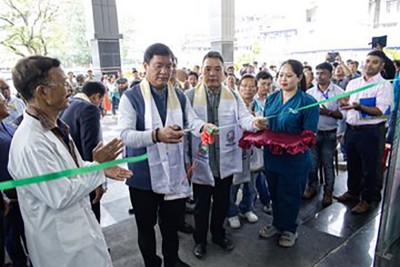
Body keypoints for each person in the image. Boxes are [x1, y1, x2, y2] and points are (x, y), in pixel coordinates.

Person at [8, 55, 129, 267]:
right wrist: (99, 167)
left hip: (79, 238)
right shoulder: (31, 143)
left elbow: (72, 170)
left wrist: (97, 168)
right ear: (42, 92)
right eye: (64, 84)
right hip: (63, 252)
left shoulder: (53, 127)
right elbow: (60, 195)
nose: (70, 89)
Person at [119, 43, 213, 267]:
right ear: (145, 66)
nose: (164, 71)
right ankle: (152, 262)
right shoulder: (131, 97)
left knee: (171, 224)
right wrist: (156, 135)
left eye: (169, 66)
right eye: (158, 65)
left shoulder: (178, 96)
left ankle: (172, 260)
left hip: (173, 171)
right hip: (143, 177)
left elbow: (192, 120)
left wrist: (203, 128)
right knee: (146, 226)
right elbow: (125, 135)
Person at [185, 51, 266, 259]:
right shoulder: (190, 96)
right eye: (208, 69)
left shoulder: (232, 94)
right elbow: (189, 125)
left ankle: (218, 235)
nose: (212, 73)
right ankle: (200, 241)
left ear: (223, 71)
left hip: (225, 161)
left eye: (217, 69)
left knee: (222, 203)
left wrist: (254, 123)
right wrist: (188, 158)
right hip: (203, 161)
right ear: (201, 70)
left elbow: (244, 118)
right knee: (201, 207)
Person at [259, 59, 319, 247]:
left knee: (290, 194)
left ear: (299, 77)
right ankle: (277, 223)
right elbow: (268, 123)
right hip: (272, 156)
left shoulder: (308, 102)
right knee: (274, 192)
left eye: (289, 75)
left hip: (294, 159)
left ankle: (290, 229)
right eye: (281, 75)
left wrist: (289, 144)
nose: (283, 79)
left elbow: (309, 135)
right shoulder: (272, 98)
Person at [60, 81, 131, 223]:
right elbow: (92, 148)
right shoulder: (89, 109)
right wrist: (98, 182)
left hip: (73, 172)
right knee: (93, 213)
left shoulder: (70, 104)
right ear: (96, 96)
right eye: (100, 100)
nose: (99, 104)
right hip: (87, 173)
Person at [335, 50, 393, 214]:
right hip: (352, 129)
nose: (369, 65)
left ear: (381, 66)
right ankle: (353, 192)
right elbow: (347, 105)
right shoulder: (354, 83)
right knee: (353, 163)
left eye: (374, 62)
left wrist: (359, 106)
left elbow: (380, 111)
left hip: (371, 131)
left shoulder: (384, 85)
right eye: (367, 61)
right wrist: (344, 103)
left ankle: (367, 199)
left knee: (370, 167)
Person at [304, 62, 344, 207]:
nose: (319, 76)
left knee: (327, 164)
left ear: (330, 75)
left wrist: (328, 112)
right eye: (317, 73)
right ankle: (312, 187)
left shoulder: (339, 92)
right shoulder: (310, 93)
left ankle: (328, 192)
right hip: (314, 133)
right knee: (312, 164)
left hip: (330, 134)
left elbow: (343, 115)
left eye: (323, 73)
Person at [0, 92, 30, 267]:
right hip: (7, 199)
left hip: (23, 194)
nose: (7, 104)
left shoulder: (7, 126)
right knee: (12, 238)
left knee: (29, 235)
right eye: (3, 102)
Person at [227, 74, 259, 229]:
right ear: (238, 88)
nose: (248, 89)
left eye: (252, 86)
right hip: (235, 150)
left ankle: (247, 208)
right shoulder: (231, 105)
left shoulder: (259, 106)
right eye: (244, 85)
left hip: (253, 152)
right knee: (232, 184)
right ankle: (231, 212)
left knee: (251, 184)